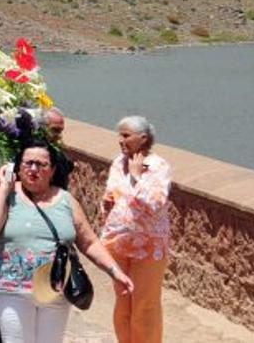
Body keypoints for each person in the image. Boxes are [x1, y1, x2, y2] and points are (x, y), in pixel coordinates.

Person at [0, 140, 134, 343]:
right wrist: (3, 188)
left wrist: (115, 271)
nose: (33, 169)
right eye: (28, 163)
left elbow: (89, 242)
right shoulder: (7, 196)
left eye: (41, 165)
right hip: (11, 288)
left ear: (52, 170)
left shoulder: (66, 201)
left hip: (55, 289)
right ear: (18, 166)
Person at [101, 116, 172, 343]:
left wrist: (136, 176)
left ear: (143, 138)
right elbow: (113, 193)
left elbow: (154, 203)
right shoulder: (117, 163)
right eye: (119, 135)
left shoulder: (158, 166)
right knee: (123, 303)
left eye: (125, 135)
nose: (120, 140)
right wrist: (106, 204)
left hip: (149, 247)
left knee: (144, 305)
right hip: (117, 243)